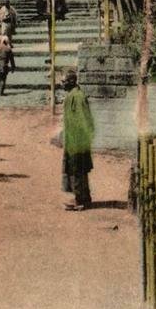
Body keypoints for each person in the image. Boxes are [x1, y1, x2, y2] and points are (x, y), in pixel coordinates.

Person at [61, 67, 94, 211]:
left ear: (71, 81)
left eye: (64, 81)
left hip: (78, 139)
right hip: (74, 138)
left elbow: (83, 120)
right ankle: (83, 197)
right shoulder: (73, 95)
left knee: (77, 169)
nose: (62, 84)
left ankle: (80, 200)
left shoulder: (78, 97)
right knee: (78, 168)